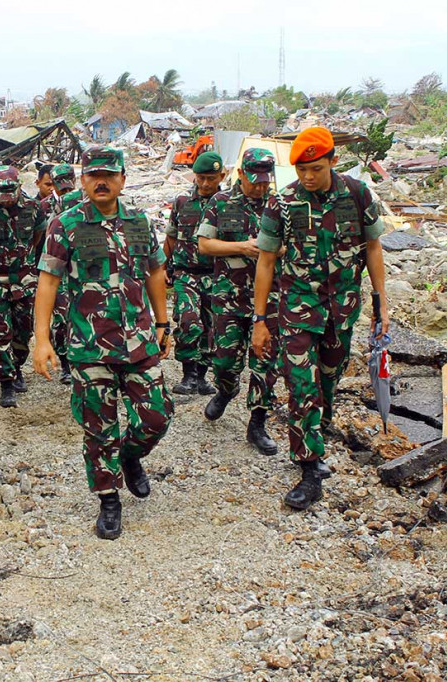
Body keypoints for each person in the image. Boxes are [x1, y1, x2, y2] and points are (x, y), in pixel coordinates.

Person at [33, 146, 174, 540]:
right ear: (83, 180)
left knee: (157, 416)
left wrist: (163, 322)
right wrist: (41, 339)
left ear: (122, 180)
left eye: (109, 175)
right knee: (99, 428)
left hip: (139, 341)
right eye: (94, 175)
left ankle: (130, 456)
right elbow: (48, 281)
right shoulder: (65, 224)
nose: (101, 182)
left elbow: (155, 272)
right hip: (89, 345)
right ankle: (108, 499)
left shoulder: (140, 221)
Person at [252, 127, 389, 510]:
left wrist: (381, 303)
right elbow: (266, 261)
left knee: (328, 380)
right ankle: (309, 467)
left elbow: (373, 248)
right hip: (297, 310)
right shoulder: (282, 202)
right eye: (301, 169)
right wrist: (260, 319)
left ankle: (319, 430)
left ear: (333, 161)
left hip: (341, 310)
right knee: (301, 386)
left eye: (315, 168)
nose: (308, 176)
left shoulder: (358, 194)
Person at [197, 149, 281, 455]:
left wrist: (274, 250)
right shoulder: (220, 203)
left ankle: (257, 423)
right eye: (254, 181)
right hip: (228, 298)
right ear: (241, 174)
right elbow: (205, 244)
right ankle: (226, 389)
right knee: (223, 360)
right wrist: (242, 247)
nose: (260, 187)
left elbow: (294, 246)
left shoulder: (279, 205)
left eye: (265, 181)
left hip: (269, 299)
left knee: (265, 362)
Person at [0, 166, 47, 408]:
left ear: (20, 187)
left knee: (23, 332)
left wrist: (23, 260)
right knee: (0, 334)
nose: (6, 196)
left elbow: (37, 239)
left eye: (11, 190)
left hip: (24, 281)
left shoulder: (34, 208)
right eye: (1, 191)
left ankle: (17, 366)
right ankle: (6, 383)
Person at [164, 151, 224, 396]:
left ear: (222, 176)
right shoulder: (182, 202)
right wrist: (163, 266)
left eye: (211, 178)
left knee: (211, 326)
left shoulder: (227, 204)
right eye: (201, 178)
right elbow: (171, 236)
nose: (206, 184)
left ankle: (201, 376)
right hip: (185, 273)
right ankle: (188, 374)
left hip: (216, 274)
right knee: (188, 321)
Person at [40, 163, 81, 384]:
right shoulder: (44, 207)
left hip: (78, 267)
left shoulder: (84, 201)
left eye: (68, 183)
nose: (65, 188)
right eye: (60, 184)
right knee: (61, 317)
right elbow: (37, 238)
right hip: (55, 268)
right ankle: (65, 363)